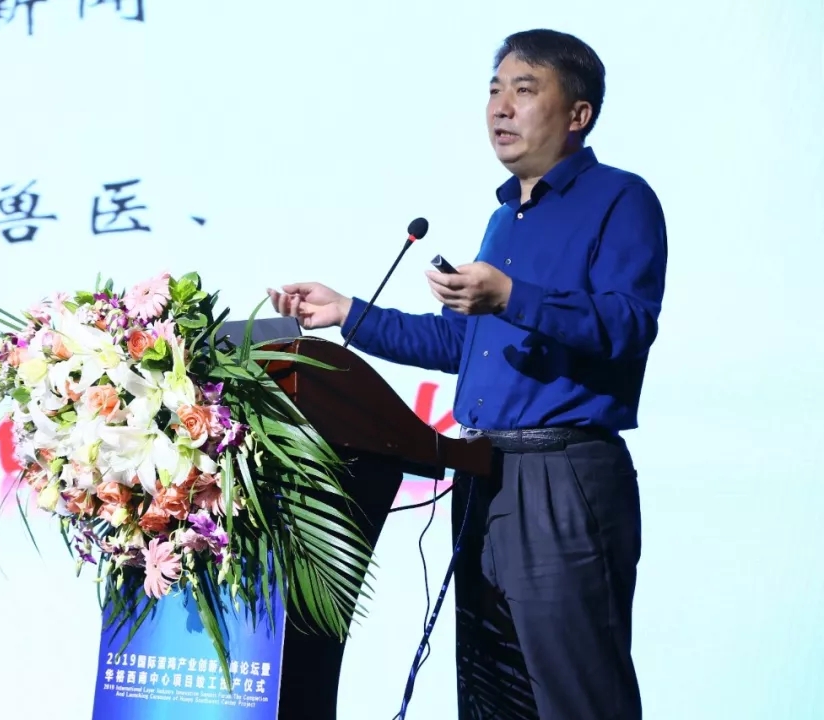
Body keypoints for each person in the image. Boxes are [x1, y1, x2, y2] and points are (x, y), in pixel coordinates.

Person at [268, 28, 666, 720]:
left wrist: (511, 296)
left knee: (576, 696)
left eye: (524, 89)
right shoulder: (504, 219)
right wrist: (349, 313)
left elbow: (627, 326)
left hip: (565, 477)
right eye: (494, 90)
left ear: (578, 114)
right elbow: (464, 345)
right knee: (493, 695)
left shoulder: (621, 199)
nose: (500, 108)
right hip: (485, 473)